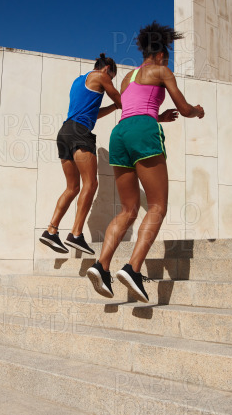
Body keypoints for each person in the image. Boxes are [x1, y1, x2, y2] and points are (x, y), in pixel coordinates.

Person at [86, 22, 205, 303]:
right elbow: (185, 108)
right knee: (157, 206)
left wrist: (158, 116)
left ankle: (101, 266)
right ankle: (133, 269)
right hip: (142, 132)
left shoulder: (128, 77)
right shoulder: (162, 71)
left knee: (128, 209)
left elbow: (135, 107)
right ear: (162, 54)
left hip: (120, 133)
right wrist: (197, 111)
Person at [39, 53, 122, 255]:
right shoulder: (100, 76)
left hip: (65, 131)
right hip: (79, 133)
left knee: (72, 187)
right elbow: (120, 97)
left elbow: (93, 113)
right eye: (112, 77)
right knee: (91, 183)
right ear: (107, 68)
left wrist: (113, 107)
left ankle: (51, 230)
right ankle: (76, 234)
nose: (110, 81)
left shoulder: (79, 80)